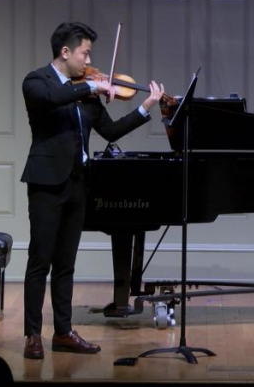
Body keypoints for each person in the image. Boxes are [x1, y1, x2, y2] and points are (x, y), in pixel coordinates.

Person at [21, 21, 165, 360]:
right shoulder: (37, 82)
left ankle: (63, 332)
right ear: (65, 52)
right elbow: (53, 98)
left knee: (66, 264)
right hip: (46, 184)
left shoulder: (86, 93)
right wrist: (92, 86)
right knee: (40, 261)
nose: (89, 62)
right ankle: (32, 334)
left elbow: (111, 131)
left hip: (78, 183)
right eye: (85, 54)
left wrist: (145, 107)